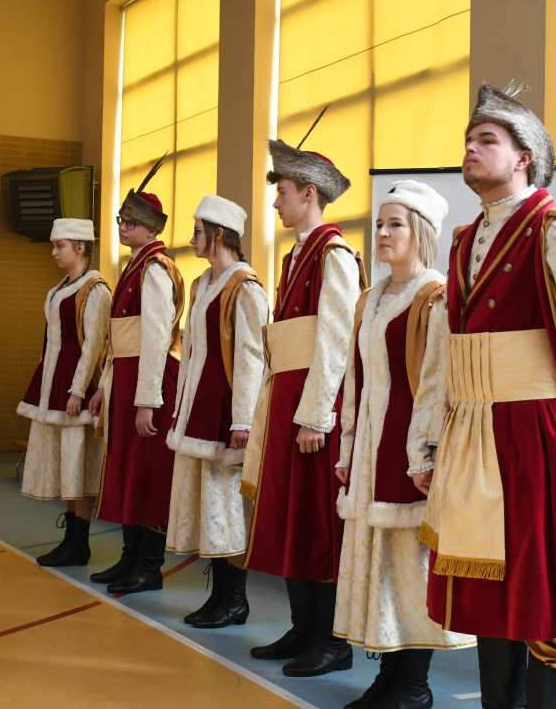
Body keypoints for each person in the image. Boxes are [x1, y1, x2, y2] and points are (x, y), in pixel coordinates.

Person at [421, 84, 556, 709]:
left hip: (536, 427)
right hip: (474, 428)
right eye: (468, 140)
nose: (471, 148)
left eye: (487, 140)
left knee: (546, 582)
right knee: (489, 580)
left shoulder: (553, 228)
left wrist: (546, 382)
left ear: (524, 158)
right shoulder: (463, 240)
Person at [333, 181, 473, 708]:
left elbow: (436, 386)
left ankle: (414, 686)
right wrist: (347, 450)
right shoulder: (370, 299)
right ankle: (388, 680)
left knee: (410, 572)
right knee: (382, 573)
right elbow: (355, 379)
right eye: (380, 224)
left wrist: (424, 456)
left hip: (408, 454)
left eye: (395, 224)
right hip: (370, 451)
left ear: (422, 233)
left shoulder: (434, 297)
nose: (384, 233)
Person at [242, 139, 365, 677]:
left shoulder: (334, 254)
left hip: (314, 409)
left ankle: (331, 640)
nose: (276, 203)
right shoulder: (295, 256)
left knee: (317, 524)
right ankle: (302, 626)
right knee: (292, 517)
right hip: (286, 397)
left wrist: (317, 415)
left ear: (309, 193)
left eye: (284, 193)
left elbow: (336, 338)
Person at [165, 195, 268, 628]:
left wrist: (243, 419)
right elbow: (191, 353)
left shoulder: (244, 287)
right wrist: (181, 406)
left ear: (219, 234)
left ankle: (235, 599)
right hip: (199, 409)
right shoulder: (202, 284)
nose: (192, 238)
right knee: (210, 509)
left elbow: (251, 356)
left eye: (197, 230)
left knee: (227, 509)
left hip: (225, 413)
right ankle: (219, 595)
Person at [87, 161, 184, 595]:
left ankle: (149, 565)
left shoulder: (156, 268)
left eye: (130, 222)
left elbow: (157, 336)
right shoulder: (133, 267)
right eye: (121, 220)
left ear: (150, 227)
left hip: (151, 381)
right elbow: (119, 339)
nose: (123, 227)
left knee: (148, 475)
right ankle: (129, 557)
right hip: (125, 378)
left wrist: (149, 400)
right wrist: (104, 387)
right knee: (126, 471)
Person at [17, 217, 110, 567]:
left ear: (81, 247)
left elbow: (94, 345)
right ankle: (71, 537)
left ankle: (79, 542)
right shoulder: (58, 289)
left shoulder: (95, 290)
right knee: (66, 466)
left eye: (60, 246)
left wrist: (78, 389)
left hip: (75, 389)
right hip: (53, 384)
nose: (54, 252)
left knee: (77, 467)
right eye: (54, 246)